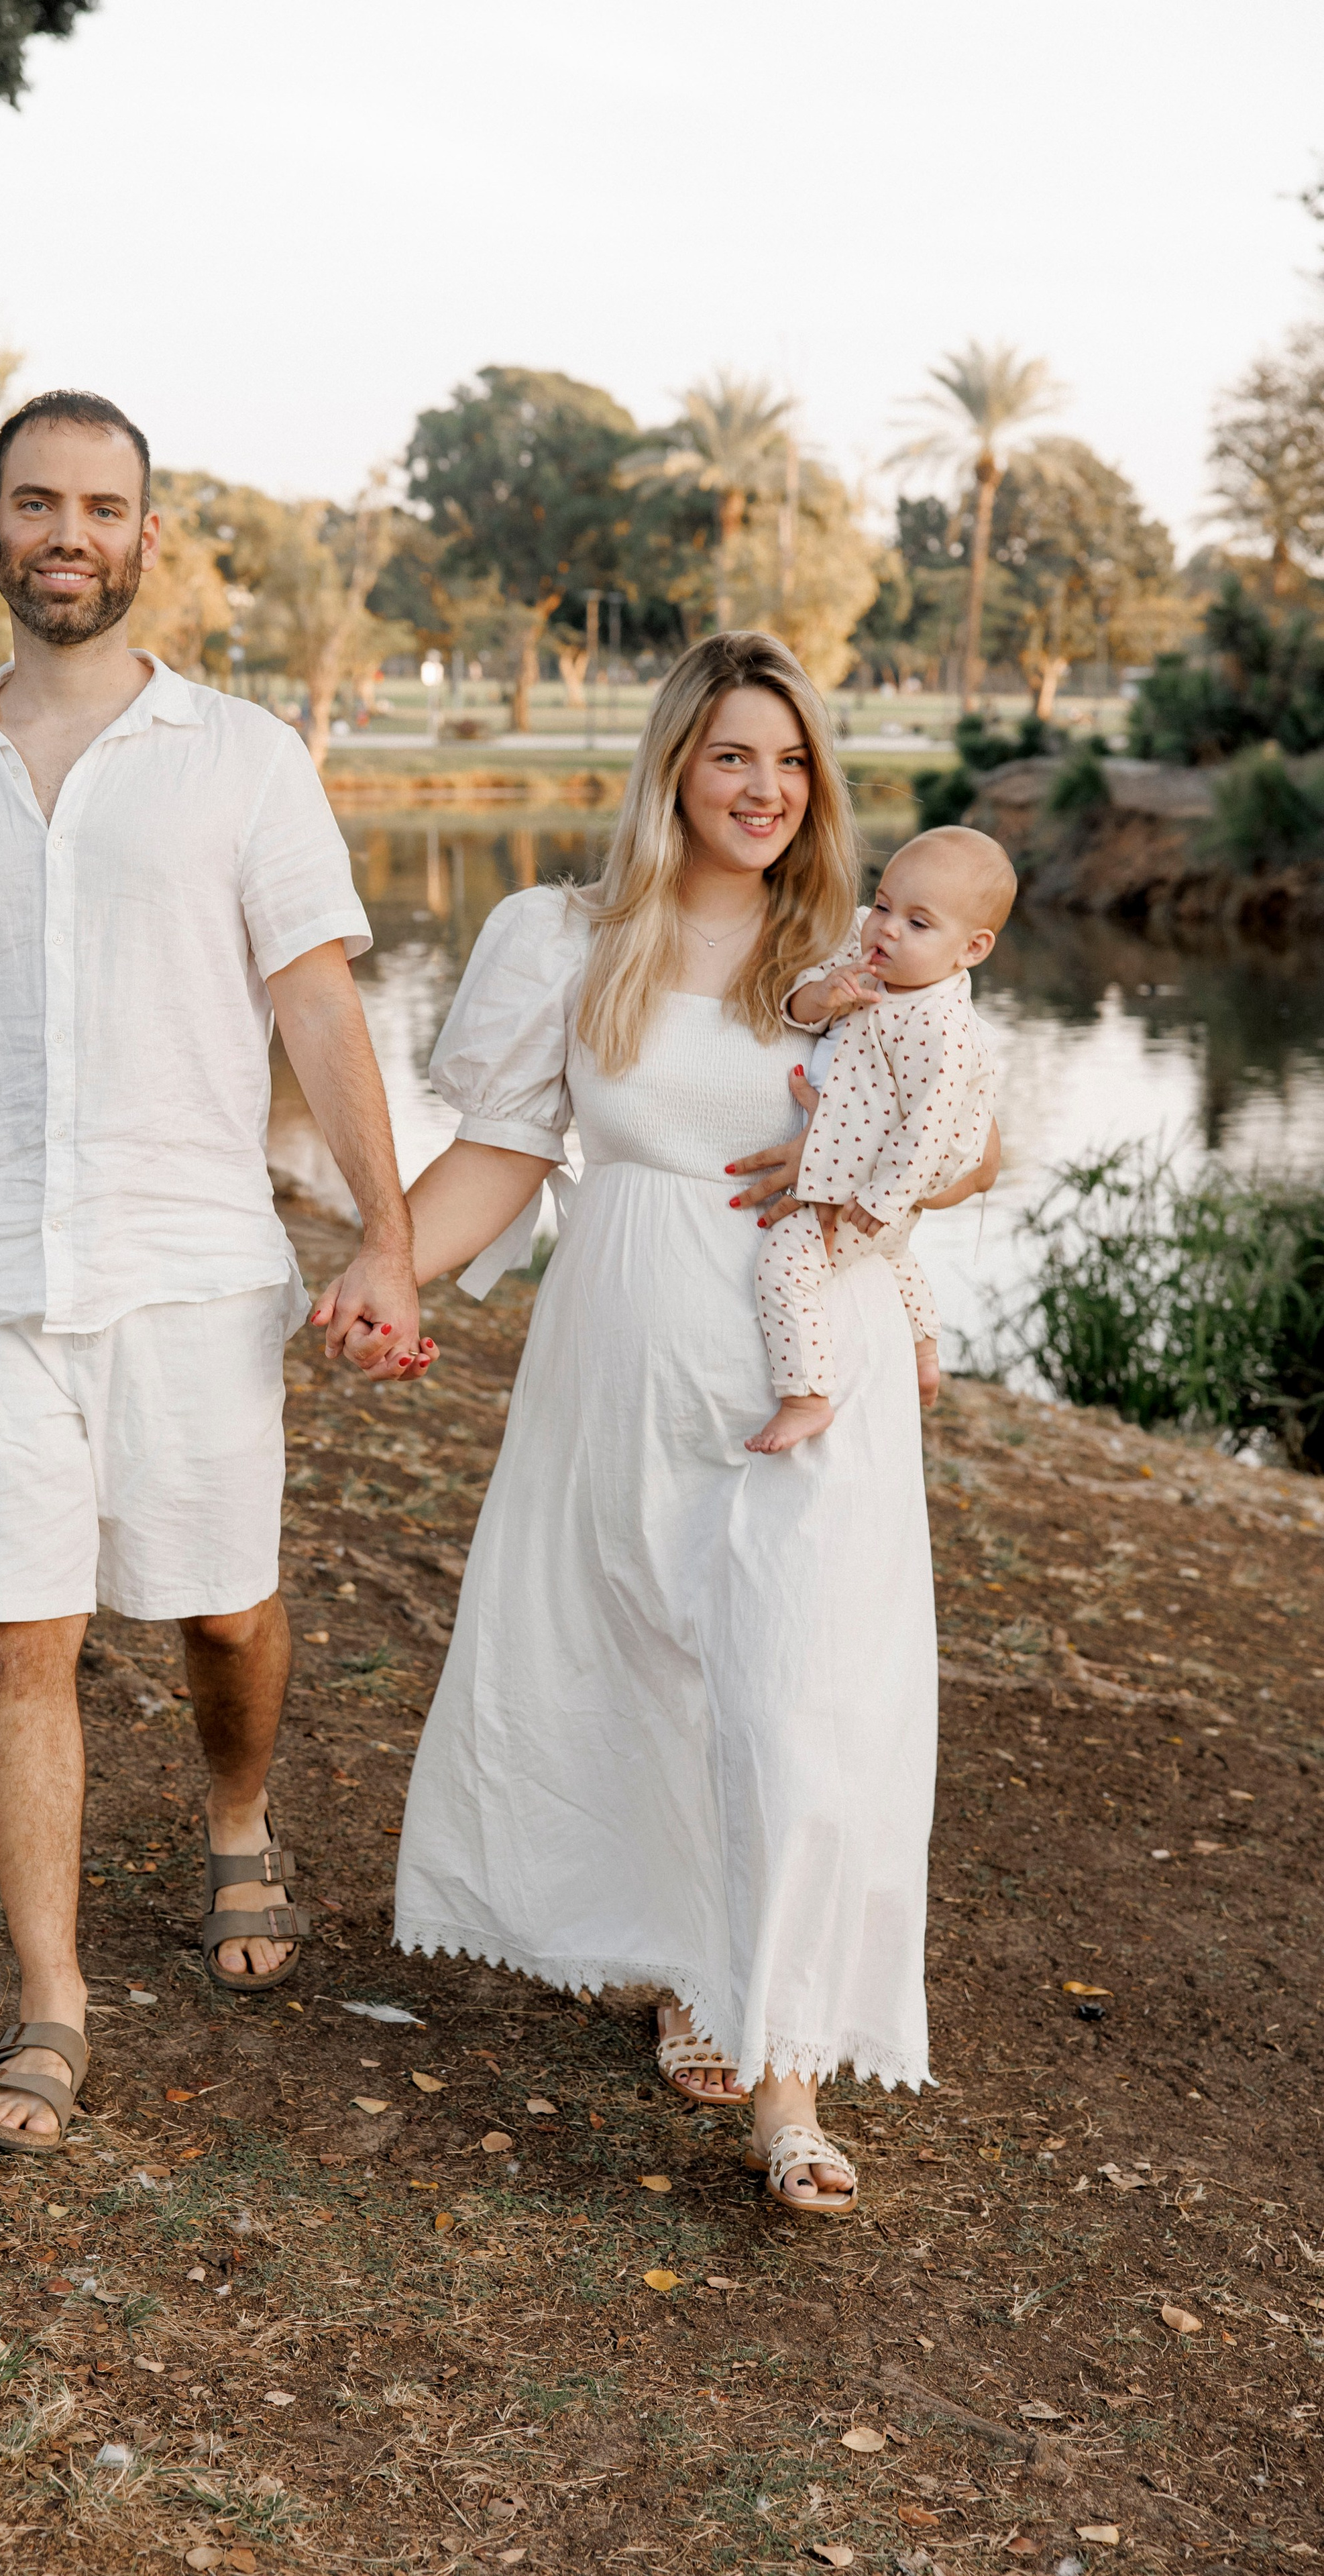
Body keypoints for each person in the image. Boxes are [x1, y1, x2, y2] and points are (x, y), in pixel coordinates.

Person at [319, 631, 998, 2214]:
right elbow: (500, 1150)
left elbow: (970, 1136)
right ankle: (689, 1948)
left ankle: (787, 2089)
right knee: (639, 1648)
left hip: (798, 1357)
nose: (764, 787)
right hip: (621, 1341)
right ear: (674, 767)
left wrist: (848, 1178)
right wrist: (383, 1265)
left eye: (789, 758)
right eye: (730, 756)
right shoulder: (565, 937)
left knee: (794, 1685)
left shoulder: (858, 942)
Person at [0, 388, 430, 2154]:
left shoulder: (242, 756)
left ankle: (237, 1818)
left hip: (195, 1261)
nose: (71, 534)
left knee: (222, 1606)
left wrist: (387, 1235)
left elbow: (316, 1003)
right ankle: (50, 2003)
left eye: (105, 506)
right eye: (40, 503)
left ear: (149, 537)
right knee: (19, 1631)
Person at [747, 824, 1013, 1453]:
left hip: (867, 1192)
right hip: (872, 1195)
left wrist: (878, 1204)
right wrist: (822, 995)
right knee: (893, 1259)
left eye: (919, 924)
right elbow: (792, 1010)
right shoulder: (871, 963)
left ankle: (807, 1395)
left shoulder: (942, 1029)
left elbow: (926, 1132)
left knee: (785, 1266)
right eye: (885, 904)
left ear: (971, 949)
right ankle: (924, 1347)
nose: (886, 928)